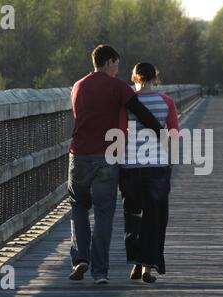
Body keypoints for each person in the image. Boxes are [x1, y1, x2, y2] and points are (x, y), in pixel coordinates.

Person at [68, 45, 163, 284]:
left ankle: (80, 259)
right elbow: (140, 112)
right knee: (103, 213)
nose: (118, 69)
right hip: (107, 157)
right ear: (109, 62)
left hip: (78, 156)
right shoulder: (117, 87)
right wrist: (161, 133)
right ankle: (100, 273)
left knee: (78, 204)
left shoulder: (78, 86)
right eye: (117, 64)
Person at [119, 63, 179, 283]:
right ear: (156, 78)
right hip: (157, 166)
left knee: (133, 215)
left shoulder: (125, 103)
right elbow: (173, 135)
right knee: (155, 218)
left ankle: (135, 261)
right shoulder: (166, 102)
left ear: (134, 78)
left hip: (130, 166)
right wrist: (171, 162)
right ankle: (147, 268)